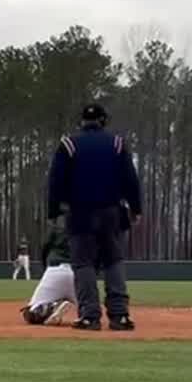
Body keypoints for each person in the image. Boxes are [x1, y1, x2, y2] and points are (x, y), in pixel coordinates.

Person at [46, 101, 142, 331]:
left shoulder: (69, 144)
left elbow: (55, 181)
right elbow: (130, 179)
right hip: (111, 212)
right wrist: (136, 208)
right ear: (103, 121)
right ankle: (120, 316)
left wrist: (53, 211)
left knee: (83, 264)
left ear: (82, 122)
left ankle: (90, 316)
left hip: (80, 213)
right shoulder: (117, 144)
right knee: (113, 262)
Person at [20, 207, 77, 325]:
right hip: (79, 274)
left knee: (31, 315)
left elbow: (45, 249)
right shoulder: (90, 228)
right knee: (92, 314)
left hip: (55, 271)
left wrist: (46, 269)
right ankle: (87, 314)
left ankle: (50, 307)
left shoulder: (56, 227)